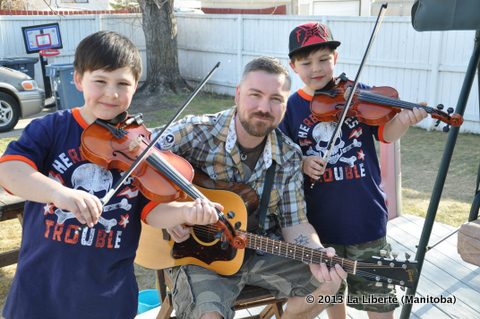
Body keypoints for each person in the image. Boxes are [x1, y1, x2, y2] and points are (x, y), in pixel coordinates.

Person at [0, 31, 220, 319]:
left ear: (136, 86)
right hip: (42, 289)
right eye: (100, 81)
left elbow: (151, 212)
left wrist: (187, 213)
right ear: (78, 80)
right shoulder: (51, 129)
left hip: (107, 296)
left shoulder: (142, 146)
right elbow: (10, 171)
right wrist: (60, 193)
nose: (111, 94)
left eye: (122, 83)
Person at [155, 56, 347, 319]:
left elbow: (295, 223)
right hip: (200, 257)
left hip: (261, 251)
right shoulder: (197, 133)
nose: (263, 107)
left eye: (276, 99)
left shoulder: (289, 154)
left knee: (331, 284)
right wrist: (170, 213)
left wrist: (315, 253)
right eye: (255, 95)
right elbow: (139, 155)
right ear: (237, 94)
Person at [279, 22, 428, 319]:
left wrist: (406, 120)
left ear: (335, 58)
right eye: (306, 62)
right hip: (321, 226)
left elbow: (387, 132)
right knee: (332, 293)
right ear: (294, 66)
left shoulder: (358, 95)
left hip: (367, 219)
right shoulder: (291, 107)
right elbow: (283, 157)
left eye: (323, 59)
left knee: (380, 299)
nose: (316, 68)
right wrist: (303, 162)